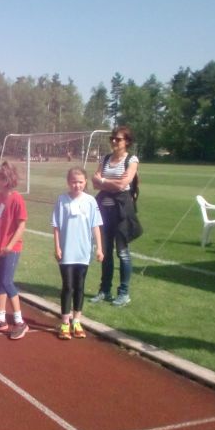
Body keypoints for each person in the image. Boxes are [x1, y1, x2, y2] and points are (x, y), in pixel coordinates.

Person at [90, 125, 140, 307]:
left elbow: (123, 184)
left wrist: (103, 181)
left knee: (122, 252)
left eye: (118, 139)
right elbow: (94, 183)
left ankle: (124, 293)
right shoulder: (105, 159)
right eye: (112, 138)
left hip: (121, 212)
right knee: (105, 252)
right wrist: (109, 183)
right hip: (104, 211)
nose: (113, 141)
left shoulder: (131, 160)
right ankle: (105, 290)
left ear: (126, 142)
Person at [52, 167, 104, 339]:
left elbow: (95, 225)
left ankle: (77, 321)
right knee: (68, 286)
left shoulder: (90, 201)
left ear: (85, 182)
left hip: (83, 251)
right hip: (67, 251)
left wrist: (99, 248)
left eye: (80, 182)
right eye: (74, 182)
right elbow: (56, 226)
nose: (77, 185)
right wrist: (57, 247)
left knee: (80, 286)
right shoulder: (62, 200)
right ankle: (65, 323)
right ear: (68, 182)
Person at [0, 161, 29, 340]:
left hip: (11, 249)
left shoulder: (17, 199)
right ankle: (1, 319)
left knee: (7, 282)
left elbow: (21, 226)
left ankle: (20, 322)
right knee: (0, 283)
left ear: (5, 180)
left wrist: (9, 246)